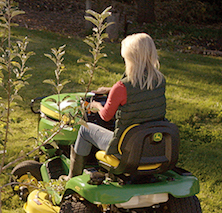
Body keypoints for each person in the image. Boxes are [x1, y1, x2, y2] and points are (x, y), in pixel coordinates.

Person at [66, 32, 167, 178]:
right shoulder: (159, 80)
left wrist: (96, 105)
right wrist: (110, 90)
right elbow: (141, 90)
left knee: (84, 129)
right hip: (150, 144)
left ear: (130, 58)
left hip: (125, 148)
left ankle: (72, 176)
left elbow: (106, 116)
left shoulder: (122, 87)